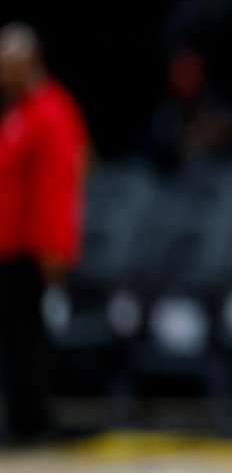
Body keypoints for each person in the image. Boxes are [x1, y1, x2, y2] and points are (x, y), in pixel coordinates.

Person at [0, 22, 88, 444]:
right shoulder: (17, 111)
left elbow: (56, 188)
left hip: (32, 250)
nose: (2, 72)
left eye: (7, 63)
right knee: (14, 338)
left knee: (29, 339)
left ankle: (33, 421)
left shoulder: (51, 110)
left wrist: (53, 249)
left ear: (29, 61)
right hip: (8, 247)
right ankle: (19, 419)